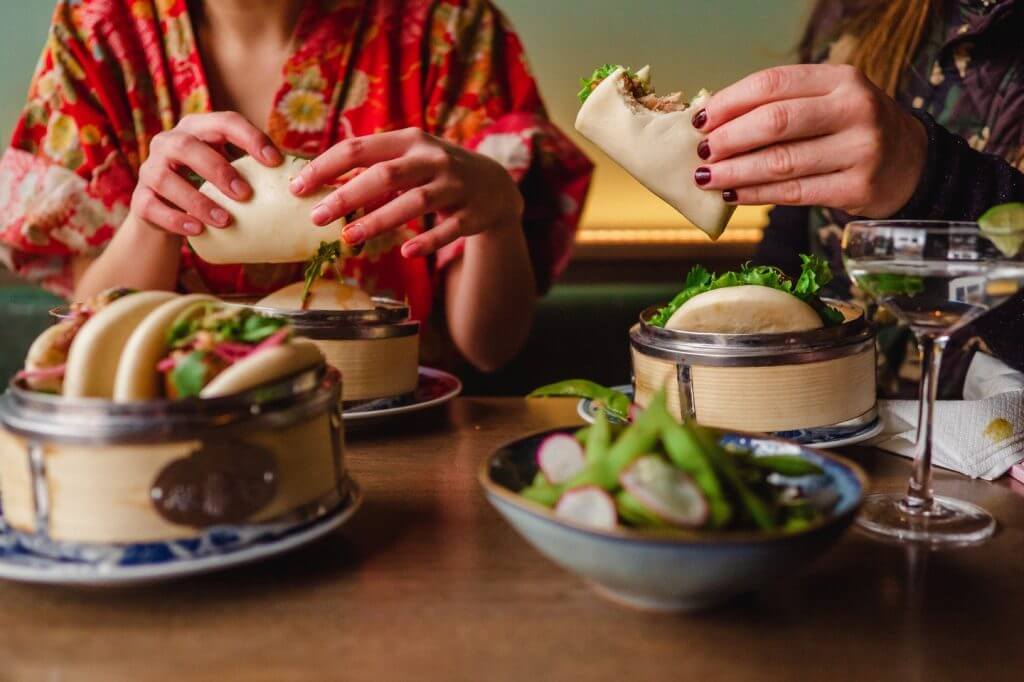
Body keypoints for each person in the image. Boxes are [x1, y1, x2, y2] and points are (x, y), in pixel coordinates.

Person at [0, 0, 593, 372]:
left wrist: (498, 214)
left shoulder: (451, 27)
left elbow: (489, 347)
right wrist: (151, 220)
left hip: (399, 426)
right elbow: (93, 337)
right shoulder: (100, 30)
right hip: (180, 429)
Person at [688, 0, 1024, 393]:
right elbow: (796, 236)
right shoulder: (853, 10)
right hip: (842, 415)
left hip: (984, 427)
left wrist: (933, 176)